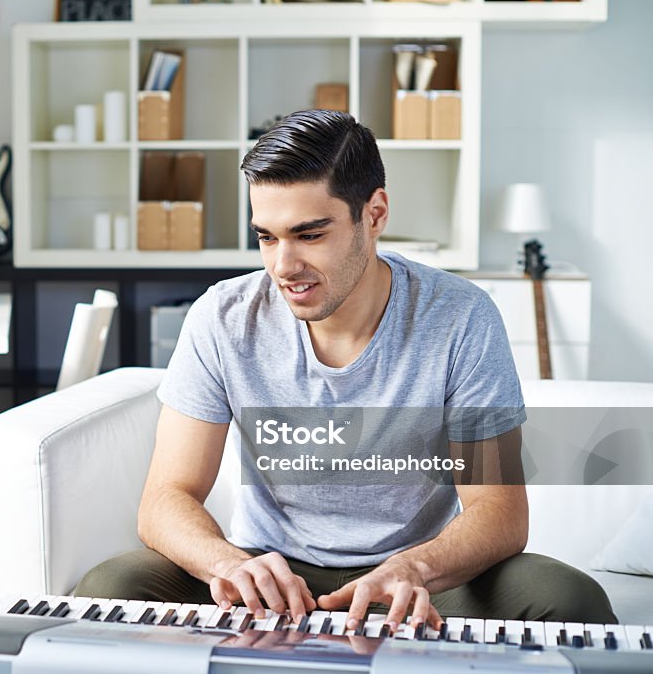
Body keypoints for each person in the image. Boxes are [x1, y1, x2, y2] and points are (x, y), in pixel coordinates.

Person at [75, 109, 616, 631]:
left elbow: (499, 509)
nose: (283, 266)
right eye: (267, 236)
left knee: (567, 598)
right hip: (273, 575)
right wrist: (227, 563)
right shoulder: (223, 317)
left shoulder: (461, 317)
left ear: (375, 214)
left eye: (310, 235)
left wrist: (415, 568)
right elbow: (165, 498)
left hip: (412, 580)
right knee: (112, 585)